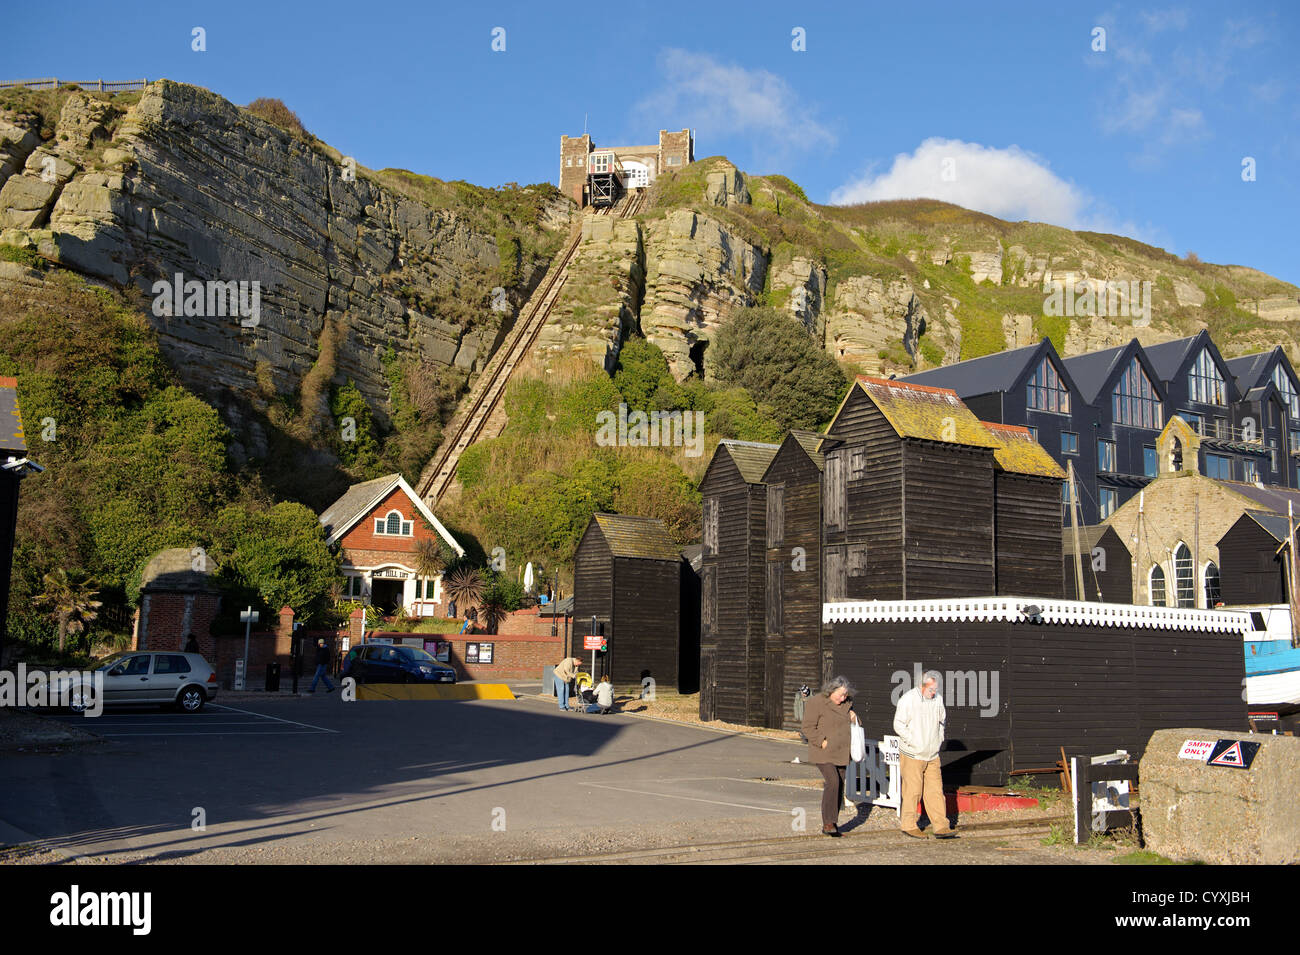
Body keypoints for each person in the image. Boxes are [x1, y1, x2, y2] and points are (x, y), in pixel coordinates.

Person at [893, 671, 956, 839]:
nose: (934, 692)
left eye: (936, 688)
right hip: (913, 754)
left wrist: (939, 739)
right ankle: (908, 824)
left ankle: (941, 826)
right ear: (921, 686)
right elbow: (898, 725)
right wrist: (913, 741)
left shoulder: (938, 700)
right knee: (912, 791)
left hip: (932, 755)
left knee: (935, 791)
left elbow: (942, 721)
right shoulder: (908, 699)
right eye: (931, 689)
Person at [801, 675, 861, 837]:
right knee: (833, 782)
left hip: (841, 751)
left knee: (839, 784)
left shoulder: (847, 704)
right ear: (831, 690)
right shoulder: (817, 702)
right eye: (840, 695)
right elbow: (807, 727)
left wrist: (855, 719)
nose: (842, 698)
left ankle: (832, 822)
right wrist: (821, 741)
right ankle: (828, 824)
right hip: (823, 751)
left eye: (845, 695)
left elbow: (854, 726)